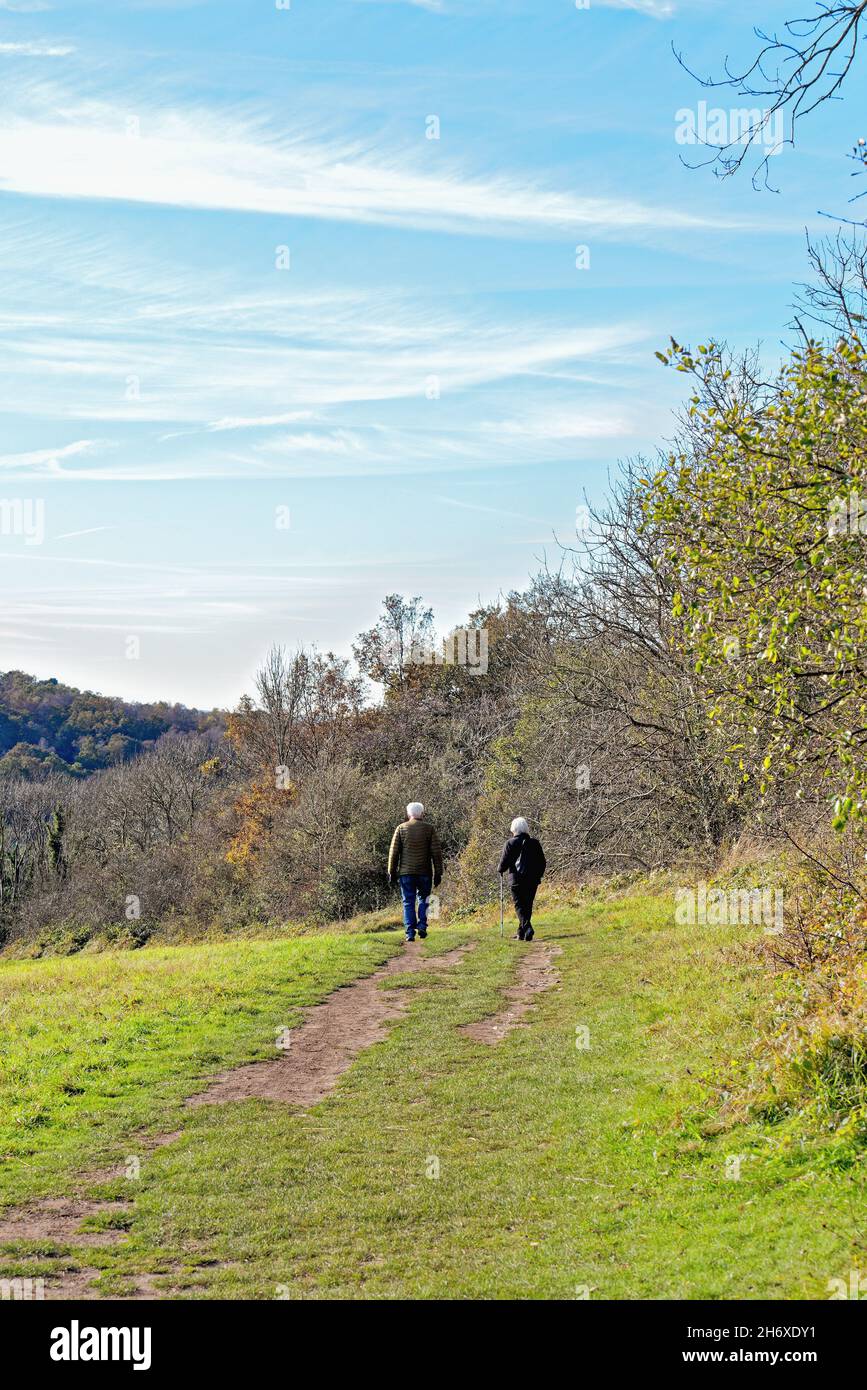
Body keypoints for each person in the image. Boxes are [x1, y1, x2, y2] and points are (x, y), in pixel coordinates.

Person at [388, 802, 443, 943]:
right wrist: (438, 872)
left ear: (408, 814)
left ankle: (410, 932)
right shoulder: (429, 829)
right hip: (425, 872)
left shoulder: (401, 828)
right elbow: (436, 853)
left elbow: (394, 853)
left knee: (408, 902)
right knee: (424, 899)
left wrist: (391, 872)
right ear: (422, 813)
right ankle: (423, 925)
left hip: (406, 873)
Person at [497, 816, 546, 941]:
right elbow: (542, 862)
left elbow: (504, 862)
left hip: (516, 880)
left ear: (514, 829)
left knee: (519, 906)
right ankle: (521, 933)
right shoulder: (534, 843)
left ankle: (528, 928)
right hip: (532, 880)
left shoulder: (510, 843)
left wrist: (500, 870)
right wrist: (538, 875)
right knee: (527, 905)